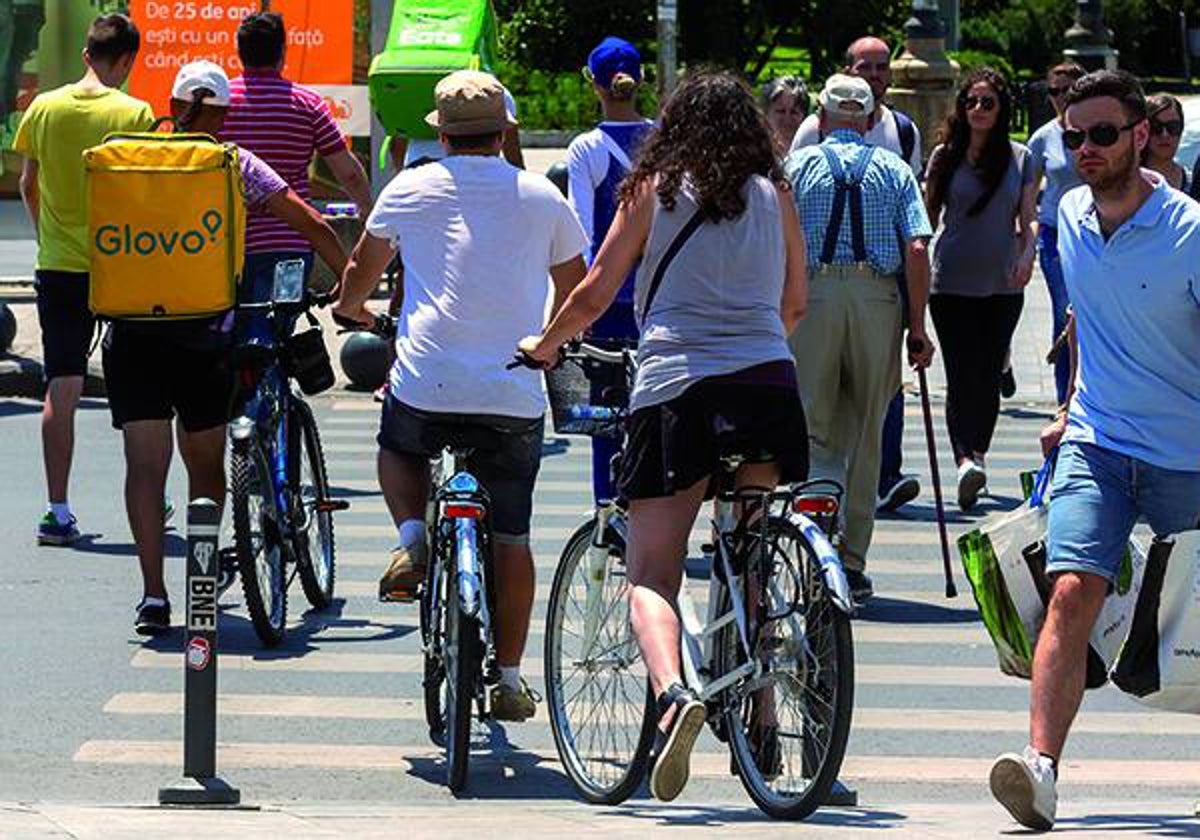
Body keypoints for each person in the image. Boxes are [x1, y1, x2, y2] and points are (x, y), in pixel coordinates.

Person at [518, 69, 809, 803]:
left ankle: (676, 694)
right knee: (749, 549)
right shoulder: (777, 198)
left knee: (652, 572)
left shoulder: (654, 189)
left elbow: (595, 289)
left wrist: (546, 345)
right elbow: (796, 303)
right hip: (769, 385)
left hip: (678, 387)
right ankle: (766, 709)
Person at [332, 70, 588, 722]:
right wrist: (550, 343)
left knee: (398, 440)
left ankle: (414, 536)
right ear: (505, 132)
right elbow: (577, 289)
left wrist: (351, 308)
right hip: (513, 388)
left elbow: (363, 267)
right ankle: (507, 677)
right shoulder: (540, 195)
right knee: (513, 535)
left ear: (439, 135)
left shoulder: (410, 187)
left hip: (428, 382)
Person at [990, 70, 1200, 832]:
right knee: (1071, 590)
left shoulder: (1190, 231)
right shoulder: (1070, 213)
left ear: (1141, 135)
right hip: (1099, 444)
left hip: (1189, 452)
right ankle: (1040, 769)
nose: (1085, 149)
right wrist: (1071, 405)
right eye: (1073, 136)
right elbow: (1089, 316)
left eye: (1103, 134)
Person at [105, 61, 348, 635]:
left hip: (132, 332)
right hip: (204, 334)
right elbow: (310, 221)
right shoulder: (233, 163)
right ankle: (203, 579)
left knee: (145, 467)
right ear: (219, 112)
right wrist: (346, 280)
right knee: (205, 467)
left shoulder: (124, 157)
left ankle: (152, 595)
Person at [785, 74, 934, 604]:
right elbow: (917, 248)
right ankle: (853, 559)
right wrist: (918, 328)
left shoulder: (795, 168)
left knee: (813, 422)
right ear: (870, 121)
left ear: (820, 120)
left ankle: (810, 533)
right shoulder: (894, 169)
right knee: (868, 427)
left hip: (812, 297)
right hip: (875, 300)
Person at [12, 14, 153, 546]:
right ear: (125, 61)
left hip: (59, 265)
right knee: (137, 389)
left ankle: (57, 508)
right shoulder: (135, 113)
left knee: (62, 383)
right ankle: (150, 493)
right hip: (121, 266)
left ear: (85, 54)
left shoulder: (44, 107)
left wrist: (50, 235)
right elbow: (143, 194)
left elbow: (30, 183)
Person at [924, 69, 1037, 511]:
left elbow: (1027, 216)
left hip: (1002, 283)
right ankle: (963, 459)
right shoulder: (944, 157)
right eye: (971, 101)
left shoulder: (1020, 157)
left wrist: (1028, 253)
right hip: (950, 281)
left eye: (988, 102)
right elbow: (927, 219)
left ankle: (979, 453)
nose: (978, 110)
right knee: (960, 374)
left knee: (988, 375)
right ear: (961, 107)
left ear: (1001, 108)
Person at [220, 11, 371, 339]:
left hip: (228, 248)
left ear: (239, 50)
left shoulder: (219, 106)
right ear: (282, 52)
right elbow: (349, 173)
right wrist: (369, 213)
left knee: (234, 333)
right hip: (291, 244)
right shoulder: (308, 104)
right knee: (278, 333)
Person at [566, 36, 653, 507]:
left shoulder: (587, 149)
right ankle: (650, 507)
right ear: (639, 81)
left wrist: (575, 309)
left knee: (605, 414)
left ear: (593, 85)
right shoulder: (665, 142)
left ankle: (608, 508)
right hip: (658, 300)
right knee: (653, 412)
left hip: (608, 305)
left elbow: (580, 232)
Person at [1027, 62, 1087, 407]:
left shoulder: (1099, 131)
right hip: (1056, 233)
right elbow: (1027, 193)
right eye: (1055, 91)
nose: (1062, 97)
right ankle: (1064, 398)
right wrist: (1026, 238)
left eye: (1070, 88)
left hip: (1098, 232)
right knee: (1065, 311)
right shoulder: (1043, 138)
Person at [1141, 94, 1189, 193]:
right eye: (1156, 127)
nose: (1165, 135)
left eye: (1173, 127)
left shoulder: (1193, 183)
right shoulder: (1128, 182)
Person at [761, 75, 808, 156]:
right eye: (781, 111)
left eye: (794, 112)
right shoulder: (756, 152)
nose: (787, 119)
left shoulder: (812, 152)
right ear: (766, 113)